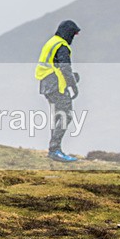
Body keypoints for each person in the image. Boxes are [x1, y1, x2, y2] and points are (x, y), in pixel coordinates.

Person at [35, 20, 81, 162]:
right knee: (66, 115)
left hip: (46, 84)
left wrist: (72, 77)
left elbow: (54, 65)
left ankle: (54, 149)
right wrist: (73, 85)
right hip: (56, 86)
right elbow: (65, 68)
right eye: (73, 34)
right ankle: (55, 150)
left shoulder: (51, 42)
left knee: (58, 116)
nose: (73, 38)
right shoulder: (62, 46)